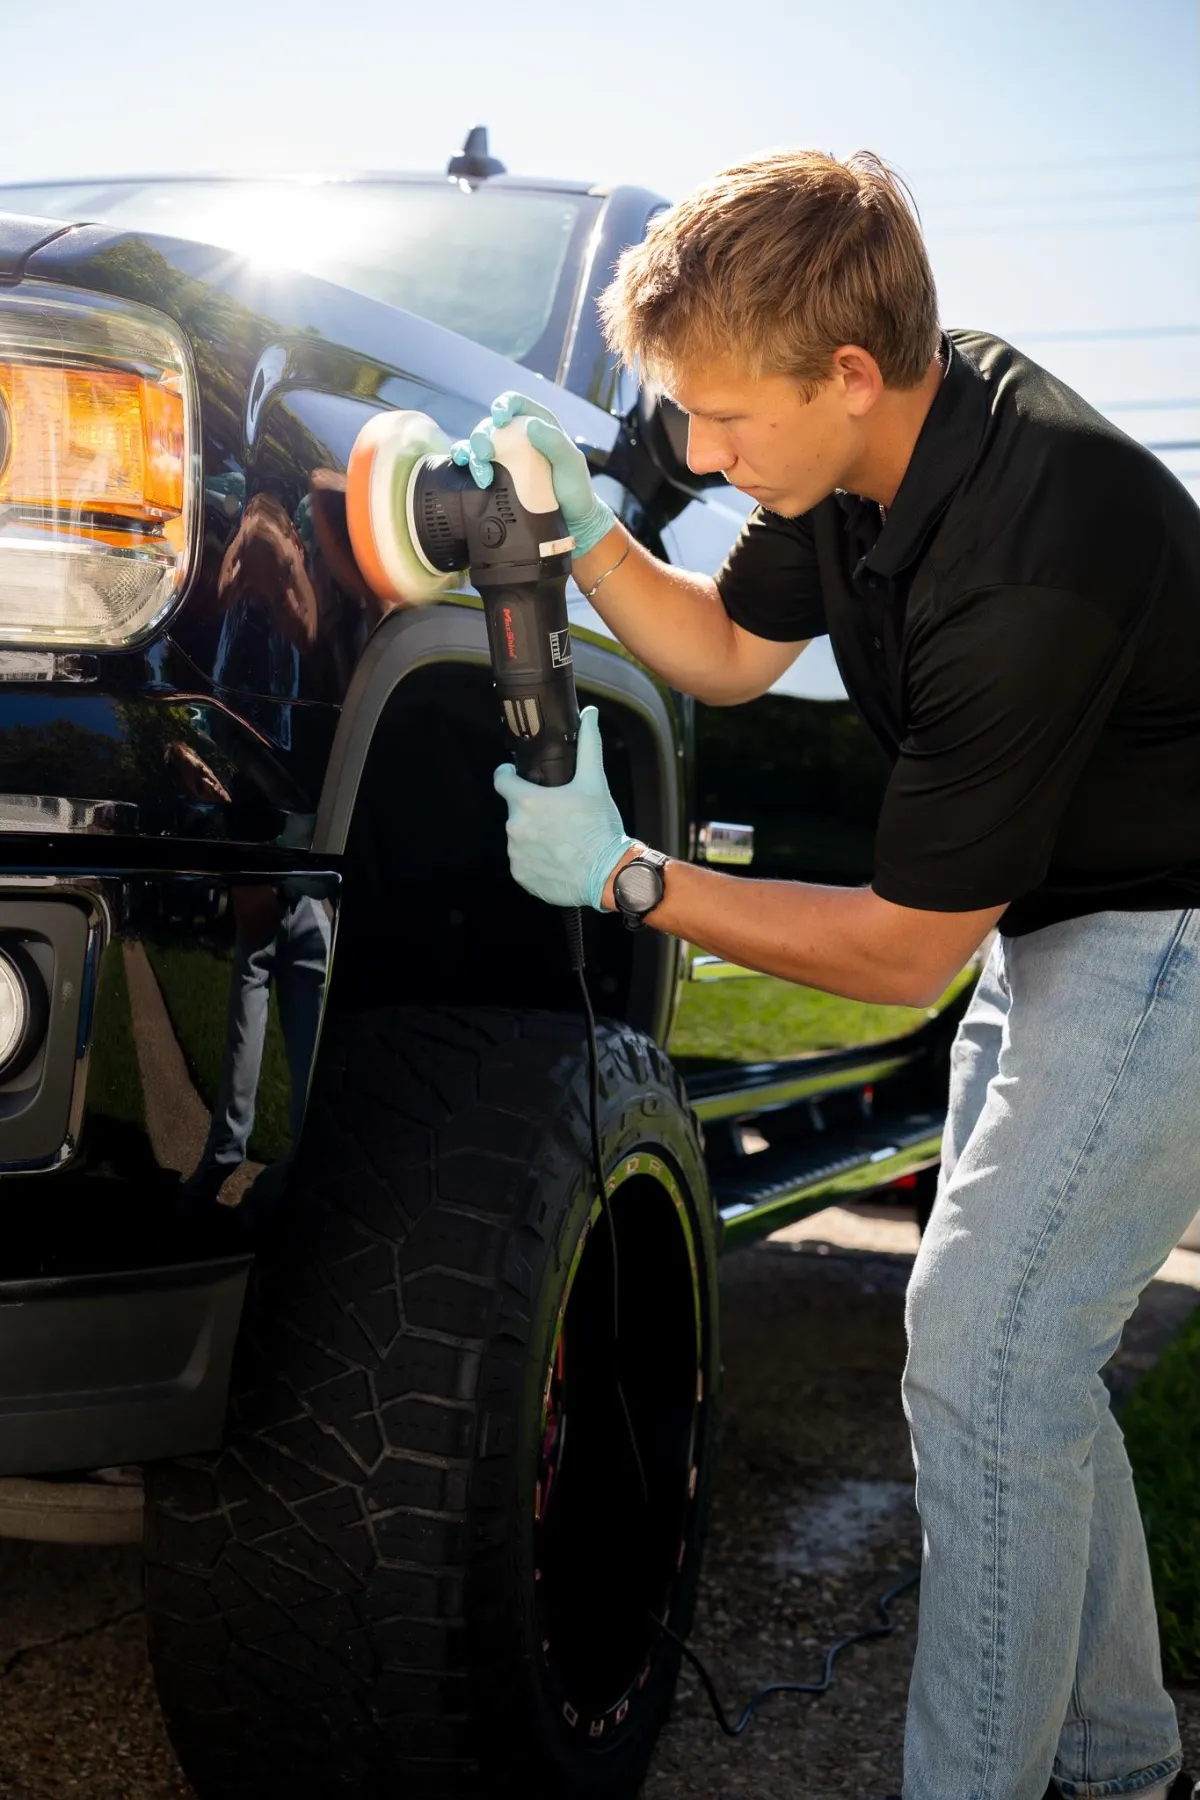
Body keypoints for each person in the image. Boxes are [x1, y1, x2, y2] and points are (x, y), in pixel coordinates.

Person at [456, 151, 1200, 1800]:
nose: (701, 456)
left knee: (987, 1351)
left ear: (848, 374)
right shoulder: (856, 461)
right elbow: (726, 647)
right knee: (1036, 1359)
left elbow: (899, 949)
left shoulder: (1036, 544)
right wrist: (584, 538)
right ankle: (1133, 1767)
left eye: (726, 423)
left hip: (1174, 944)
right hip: (1057, 921)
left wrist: (635, 879)